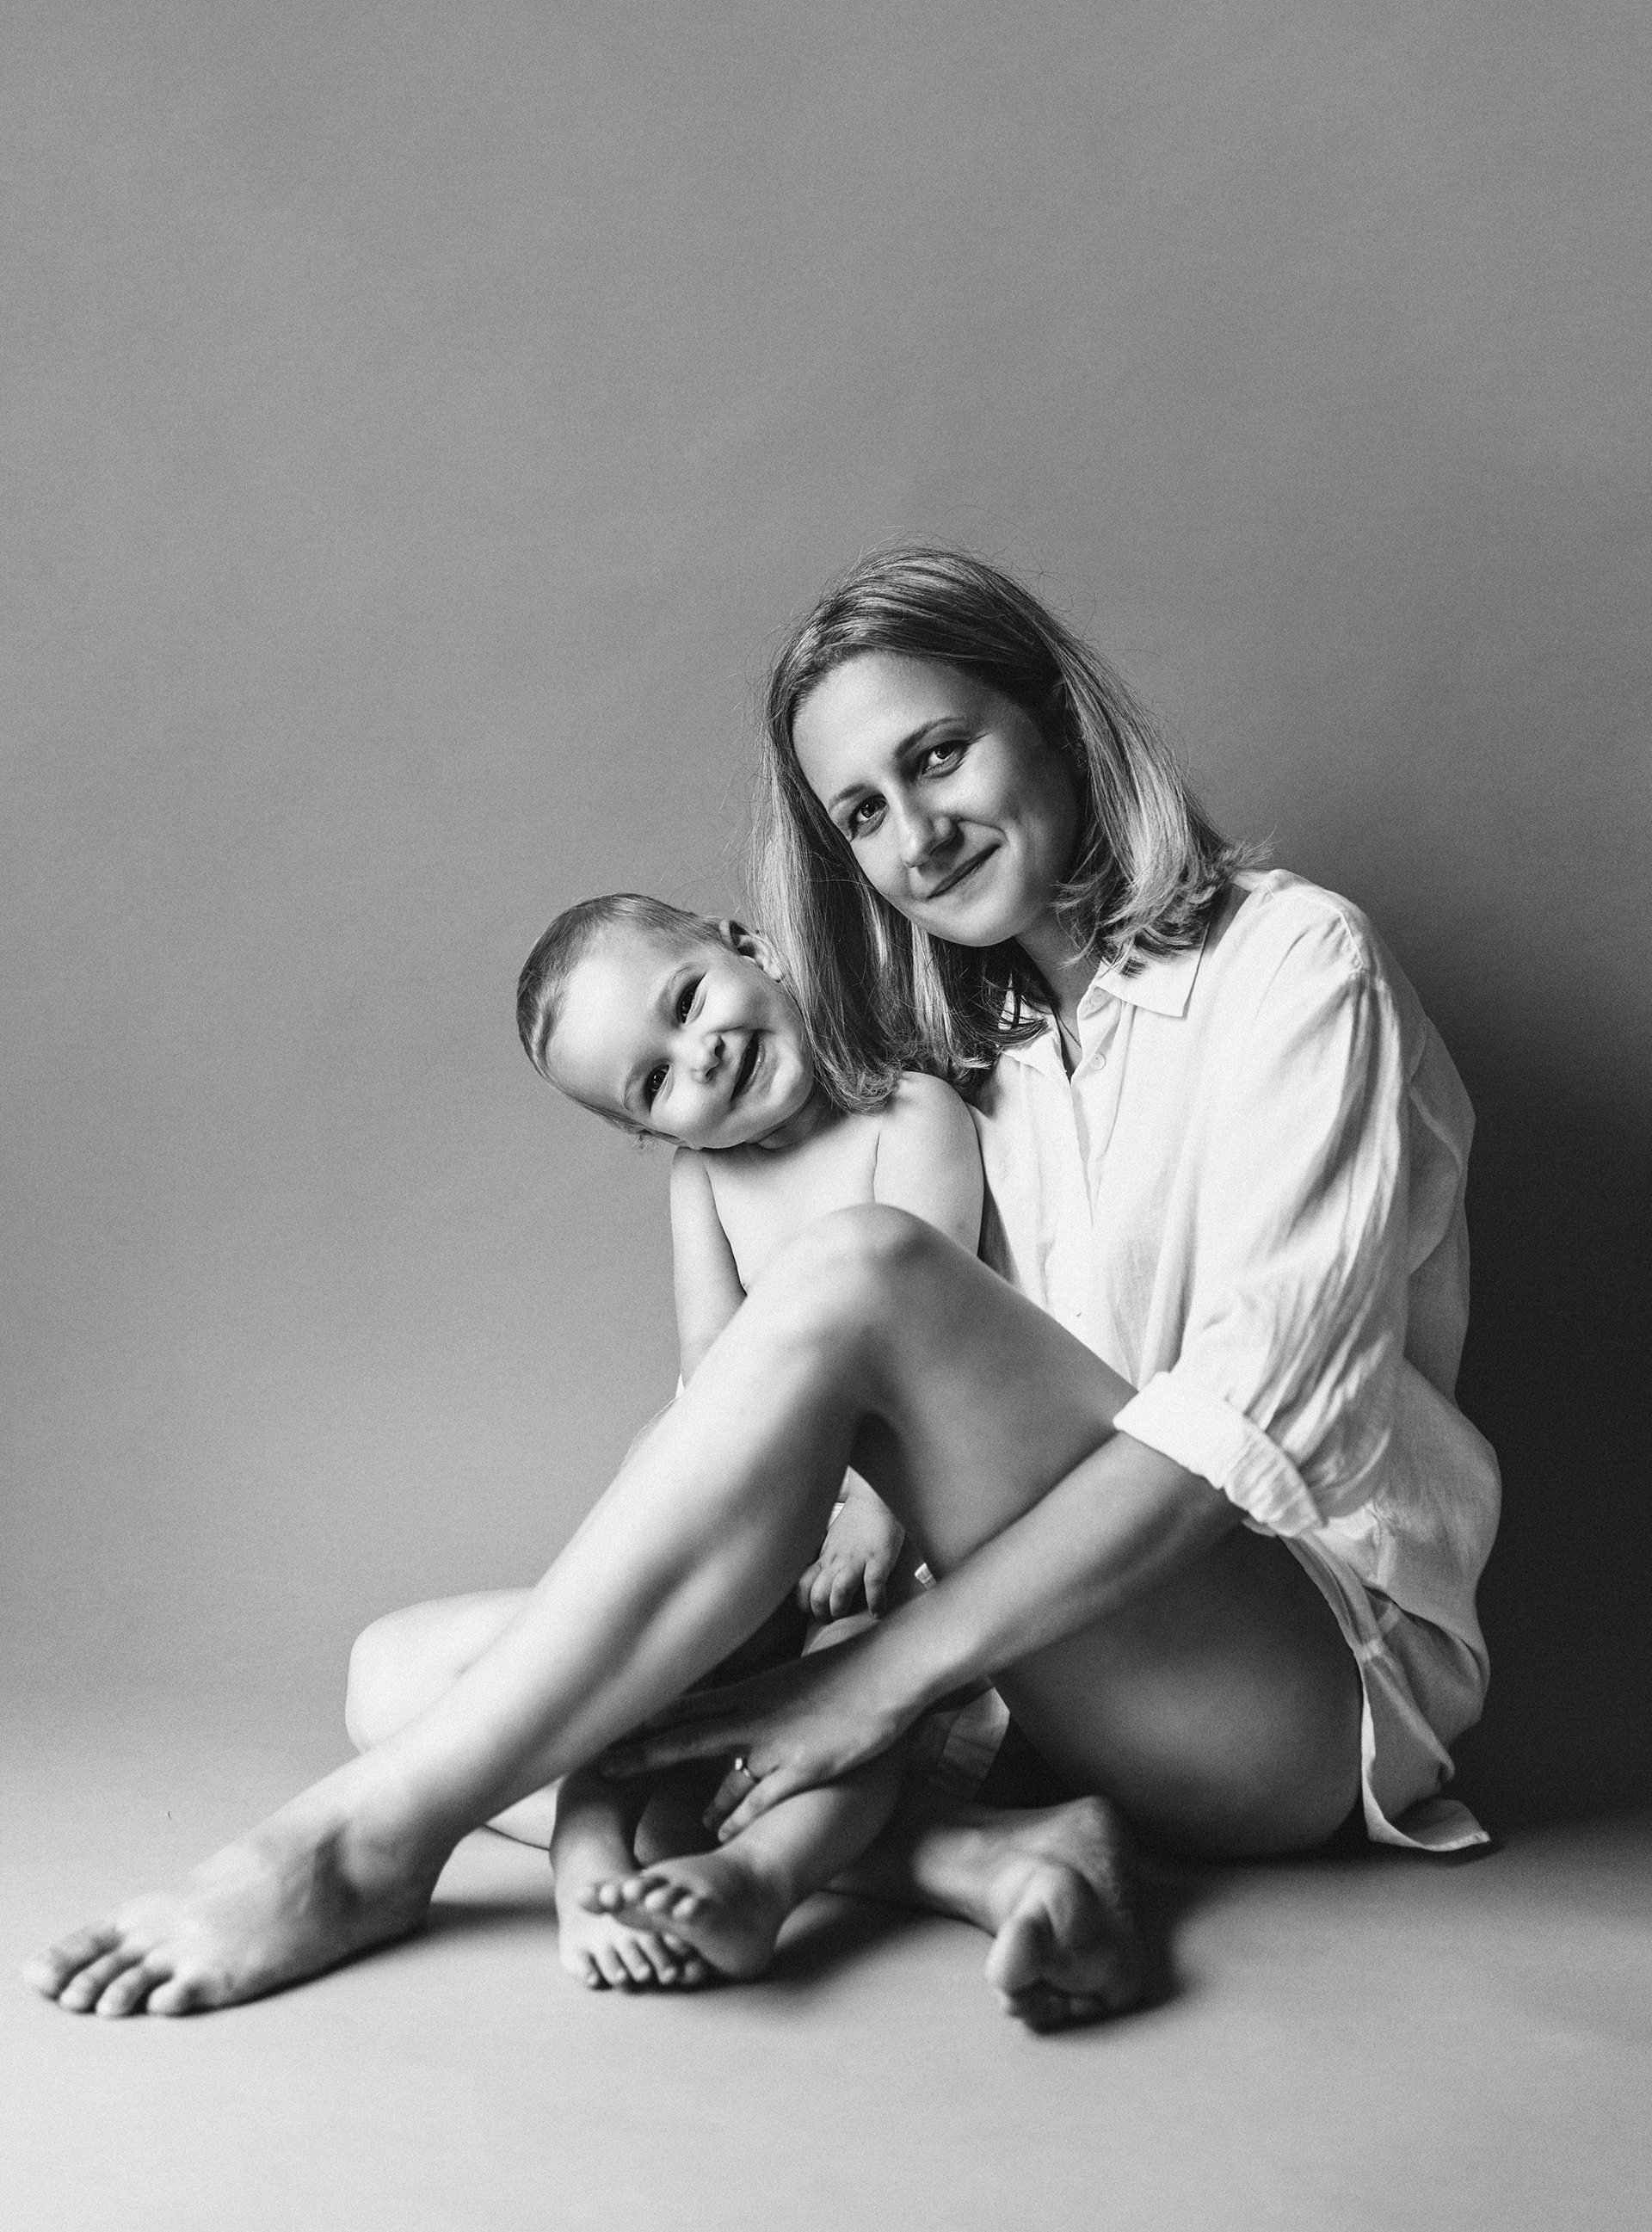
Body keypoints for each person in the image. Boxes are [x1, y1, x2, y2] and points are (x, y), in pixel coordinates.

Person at [23, 546, 1499, 2029]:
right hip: (1031, 1678)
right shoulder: (968, 1041)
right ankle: (987, 1856)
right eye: (863, 811)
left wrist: (872, 1680)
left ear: (1056, 717)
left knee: (859, 1271)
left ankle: (360, 1844)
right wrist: (835, 1654)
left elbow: (1223, 1444)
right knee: (402, 1678)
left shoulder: (1298, 962)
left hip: (1281, 1701)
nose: (917, 836)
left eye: (940, 755)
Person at [414, 887, 1015, 1993]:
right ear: (653, 1133)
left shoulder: (908, 1115)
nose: (702, 1057)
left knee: (851, 1686)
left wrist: (873, 1516)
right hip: (769, 1501)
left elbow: (922, 1338)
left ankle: (761, 1878)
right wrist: (696, 1536)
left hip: (906, 1507)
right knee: (643, 1672)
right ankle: (589, 1866)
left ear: (749, 946)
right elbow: (711, 1359)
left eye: (688, 1001)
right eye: (655, 1082)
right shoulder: (705, 1178)